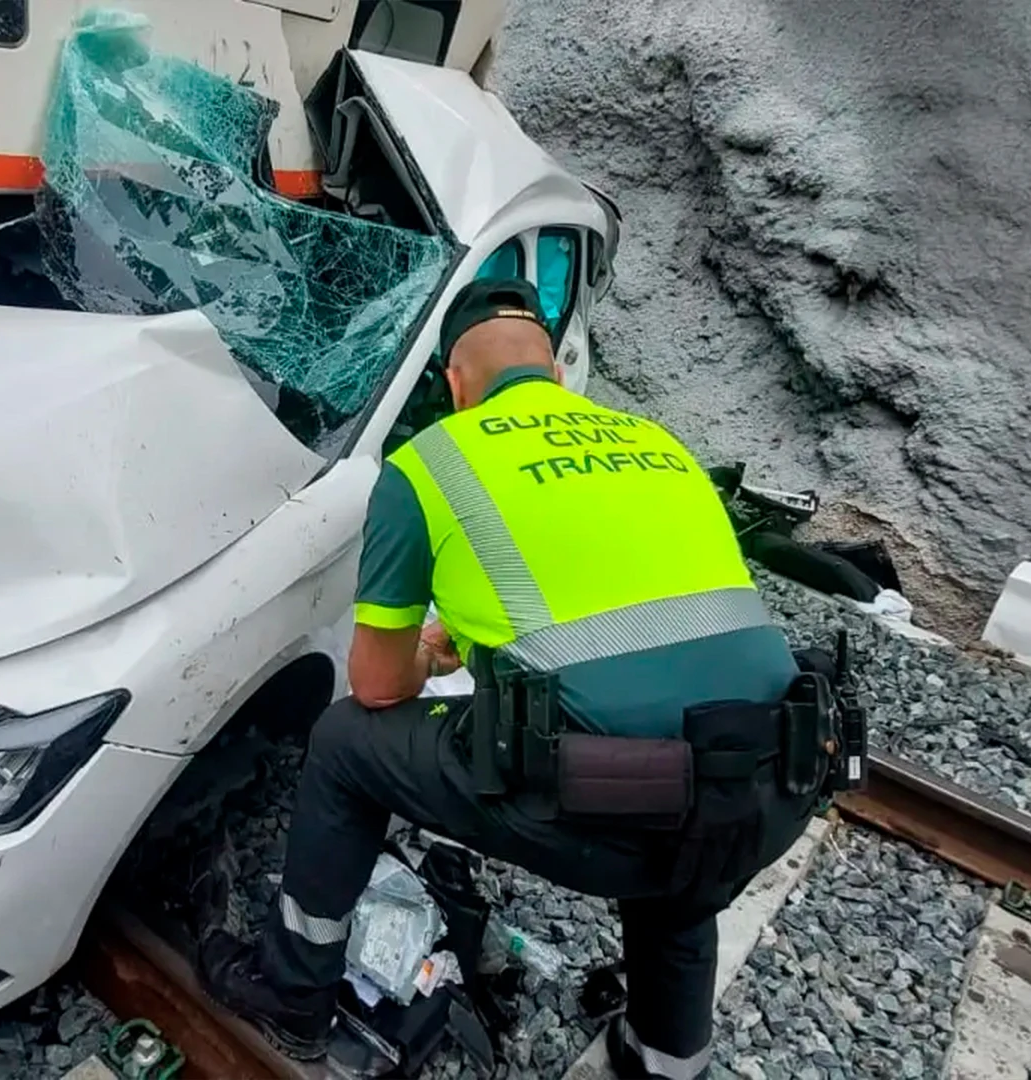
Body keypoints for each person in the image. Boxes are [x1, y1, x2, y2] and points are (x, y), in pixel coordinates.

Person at [199, 278, 823, 1079]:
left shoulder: (433, 464)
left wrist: (432, 651)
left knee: (346, 740)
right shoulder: (658, 444)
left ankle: (292, 992)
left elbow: (380, 687)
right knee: (689, 794)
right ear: (557, 378)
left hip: (608, 803)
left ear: (456, 386)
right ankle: (668, 1059)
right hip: (772, 786)